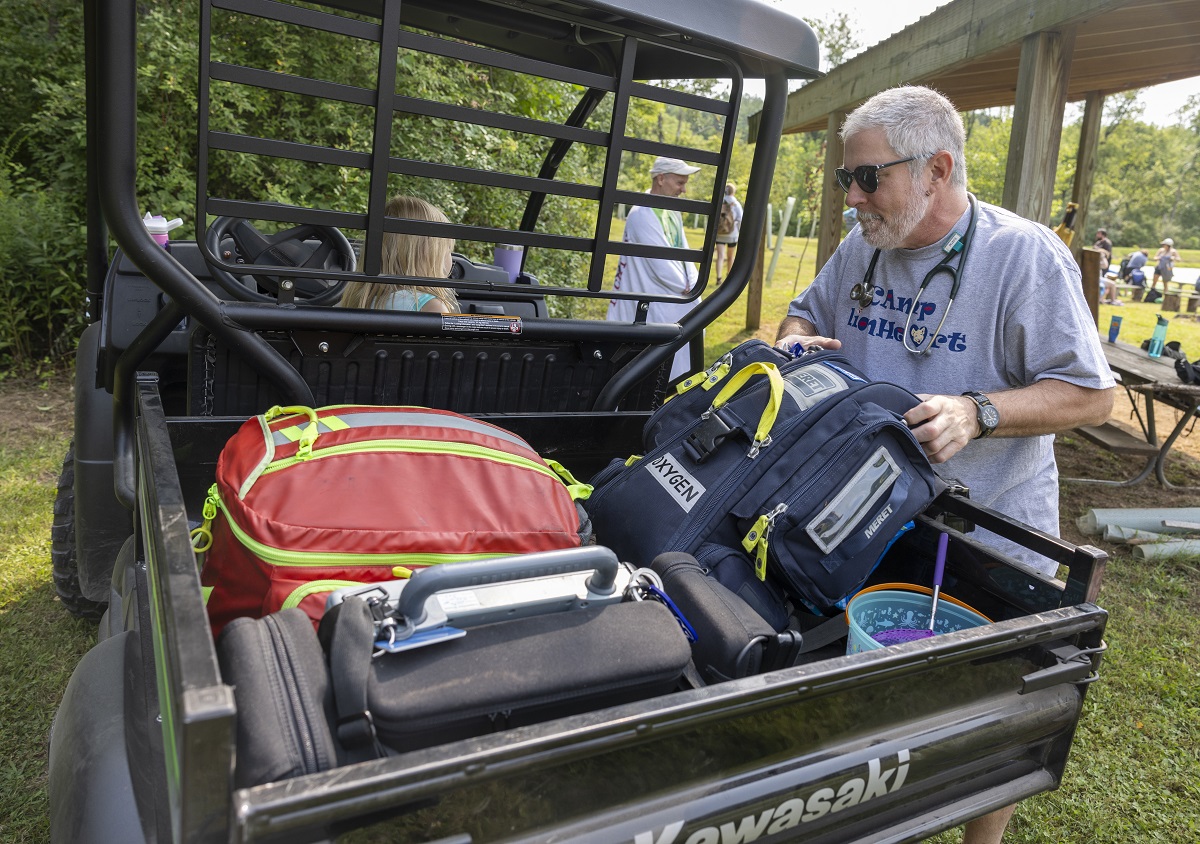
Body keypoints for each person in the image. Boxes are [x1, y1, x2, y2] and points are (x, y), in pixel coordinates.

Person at [773, 85, 1114, 844]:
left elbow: (1093, 397)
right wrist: (796, 339)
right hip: (867, 510)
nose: (853, 196)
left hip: (988, 523)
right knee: (861, 685)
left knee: (993, 709)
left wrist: (978, 411)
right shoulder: (862, 243)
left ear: (937, 168)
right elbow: (807, 311)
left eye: (869, 178)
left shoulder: (1021, 255)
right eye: (845, 179)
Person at [609, 157, 703, 379]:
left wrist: (693, 280)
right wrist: (687, 285)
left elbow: (683, 249)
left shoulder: (670, 210)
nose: (684, 190)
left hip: (672, 298)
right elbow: (661, 267)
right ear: (661, 178)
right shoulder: (642, 214)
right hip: (655, 300)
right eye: (680, 183)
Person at [339, 195, 459, 313]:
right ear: (429, 254)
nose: (450, 257)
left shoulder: (360, 299)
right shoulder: (430, 307)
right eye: (447, 249)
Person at [714, 182, 743, 284]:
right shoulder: (736, 204)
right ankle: (728, 278)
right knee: (730, 257)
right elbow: (740, 219)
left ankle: (718, 278)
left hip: (720, 234)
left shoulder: (719, 202)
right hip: (732, 234)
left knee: (720, 256)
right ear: (733, 192)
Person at [1094, 228, 1120, 305]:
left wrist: (1101, 253)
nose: (1097, 235)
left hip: (1103, 264)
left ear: (1102, 234)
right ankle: (1105, 299)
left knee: (1105, 283)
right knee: (1105, 283)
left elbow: (1108, 254)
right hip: (1098, 265)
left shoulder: (1107, 243)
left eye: (1098, 233)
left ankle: (1103, 299)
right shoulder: (1098, 243)